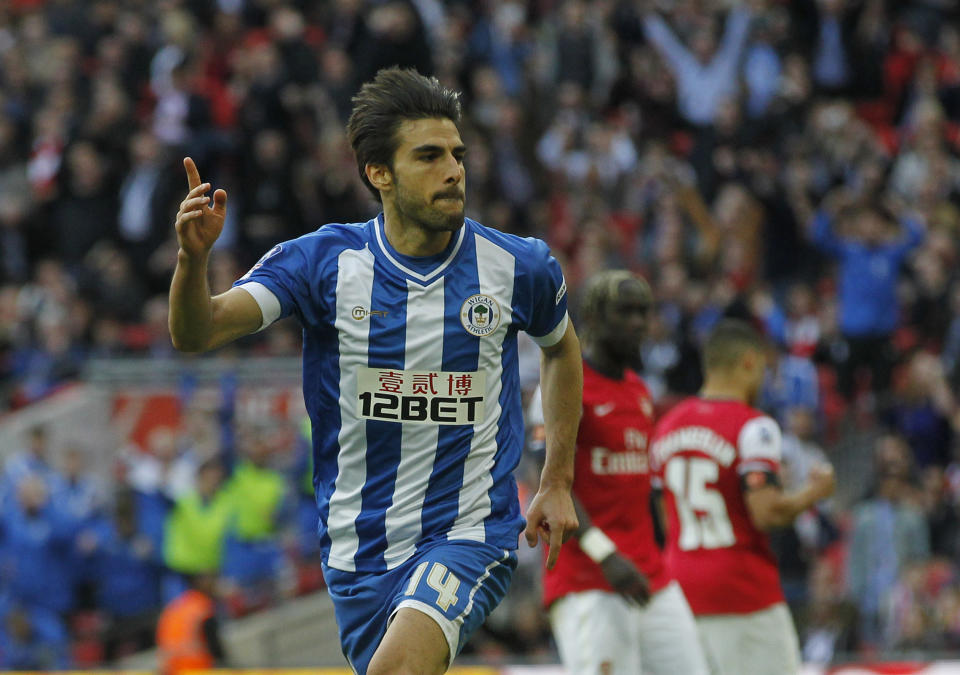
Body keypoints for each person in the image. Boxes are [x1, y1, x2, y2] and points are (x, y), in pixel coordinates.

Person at [167, 66, 581, 675]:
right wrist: (191, 259)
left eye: (458, 154)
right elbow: (197, 331)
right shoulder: (322, 264)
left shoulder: (518, 267)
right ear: (378, 173)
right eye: (430, 156)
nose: (454, 169)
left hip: (469, 533)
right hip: (357, 551)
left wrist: (557, 478)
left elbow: (561, 347)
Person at [539, 270, 709, 674]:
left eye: (644, 313)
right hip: (588, 578)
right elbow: (548, 484)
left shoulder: (639, 390)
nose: (638, 323)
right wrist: (606, 553)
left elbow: (640, 491)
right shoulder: (565, 383)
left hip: (649, 573)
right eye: (625, 312)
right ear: (594, 318)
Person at [649, 319, 836, 675]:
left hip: (682, 588)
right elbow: (767, 513)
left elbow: (664, 516)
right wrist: (815, 492)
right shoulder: (755, 426)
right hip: (743, 591)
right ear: (749, 362)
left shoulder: (666, 427)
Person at [155, 571, 226, 675]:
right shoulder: (202, 608)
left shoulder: (175, 607)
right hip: (198, 668)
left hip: (173, 670)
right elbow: (215, 649)